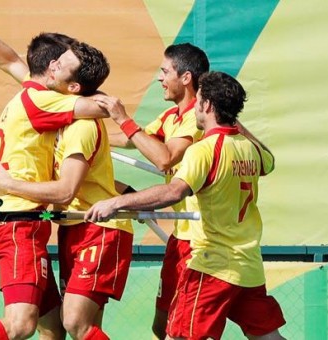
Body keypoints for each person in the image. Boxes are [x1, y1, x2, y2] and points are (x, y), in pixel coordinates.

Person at [0, 1, 112, 339]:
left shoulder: (33, 90)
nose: (58, 64)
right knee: (20, 325)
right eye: (62, 64)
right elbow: (103, 109)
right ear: (53, 73)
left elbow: (8, 59)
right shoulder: (47, 101)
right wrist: (94, 91)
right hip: (18, 223)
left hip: (22, 221)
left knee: (53, 327)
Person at [86, 71, 286, 340]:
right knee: (268, 337)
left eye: (199, 101)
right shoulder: (250, 149)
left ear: (206, 106)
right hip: (246, 266)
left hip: (212, 264)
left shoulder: (205, 150)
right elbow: (269, 161)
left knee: (178, 336)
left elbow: (173, 191)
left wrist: (117, 202)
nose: (195, 110)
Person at [0, 93, 134, 339]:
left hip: (97, 228)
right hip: (68, 227)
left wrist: (9, 184)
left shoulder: (81, 127)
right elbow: (13, 63)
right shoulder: (56, 123)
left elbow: (67, 191)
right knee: (71, 326)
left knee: (71, 322)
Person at [95, 43, 207, 339]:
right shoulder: (171, 117)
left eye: (165, 71)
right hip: (179, 238)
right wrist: (86, 134)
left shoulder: (198, 119)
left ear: (185, 78)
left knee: (183, 331)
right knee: (163, 326)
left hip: (202, 241)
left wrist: (123, 118)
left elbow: (164, 157)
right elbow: (135, 140)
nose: (160, 78)